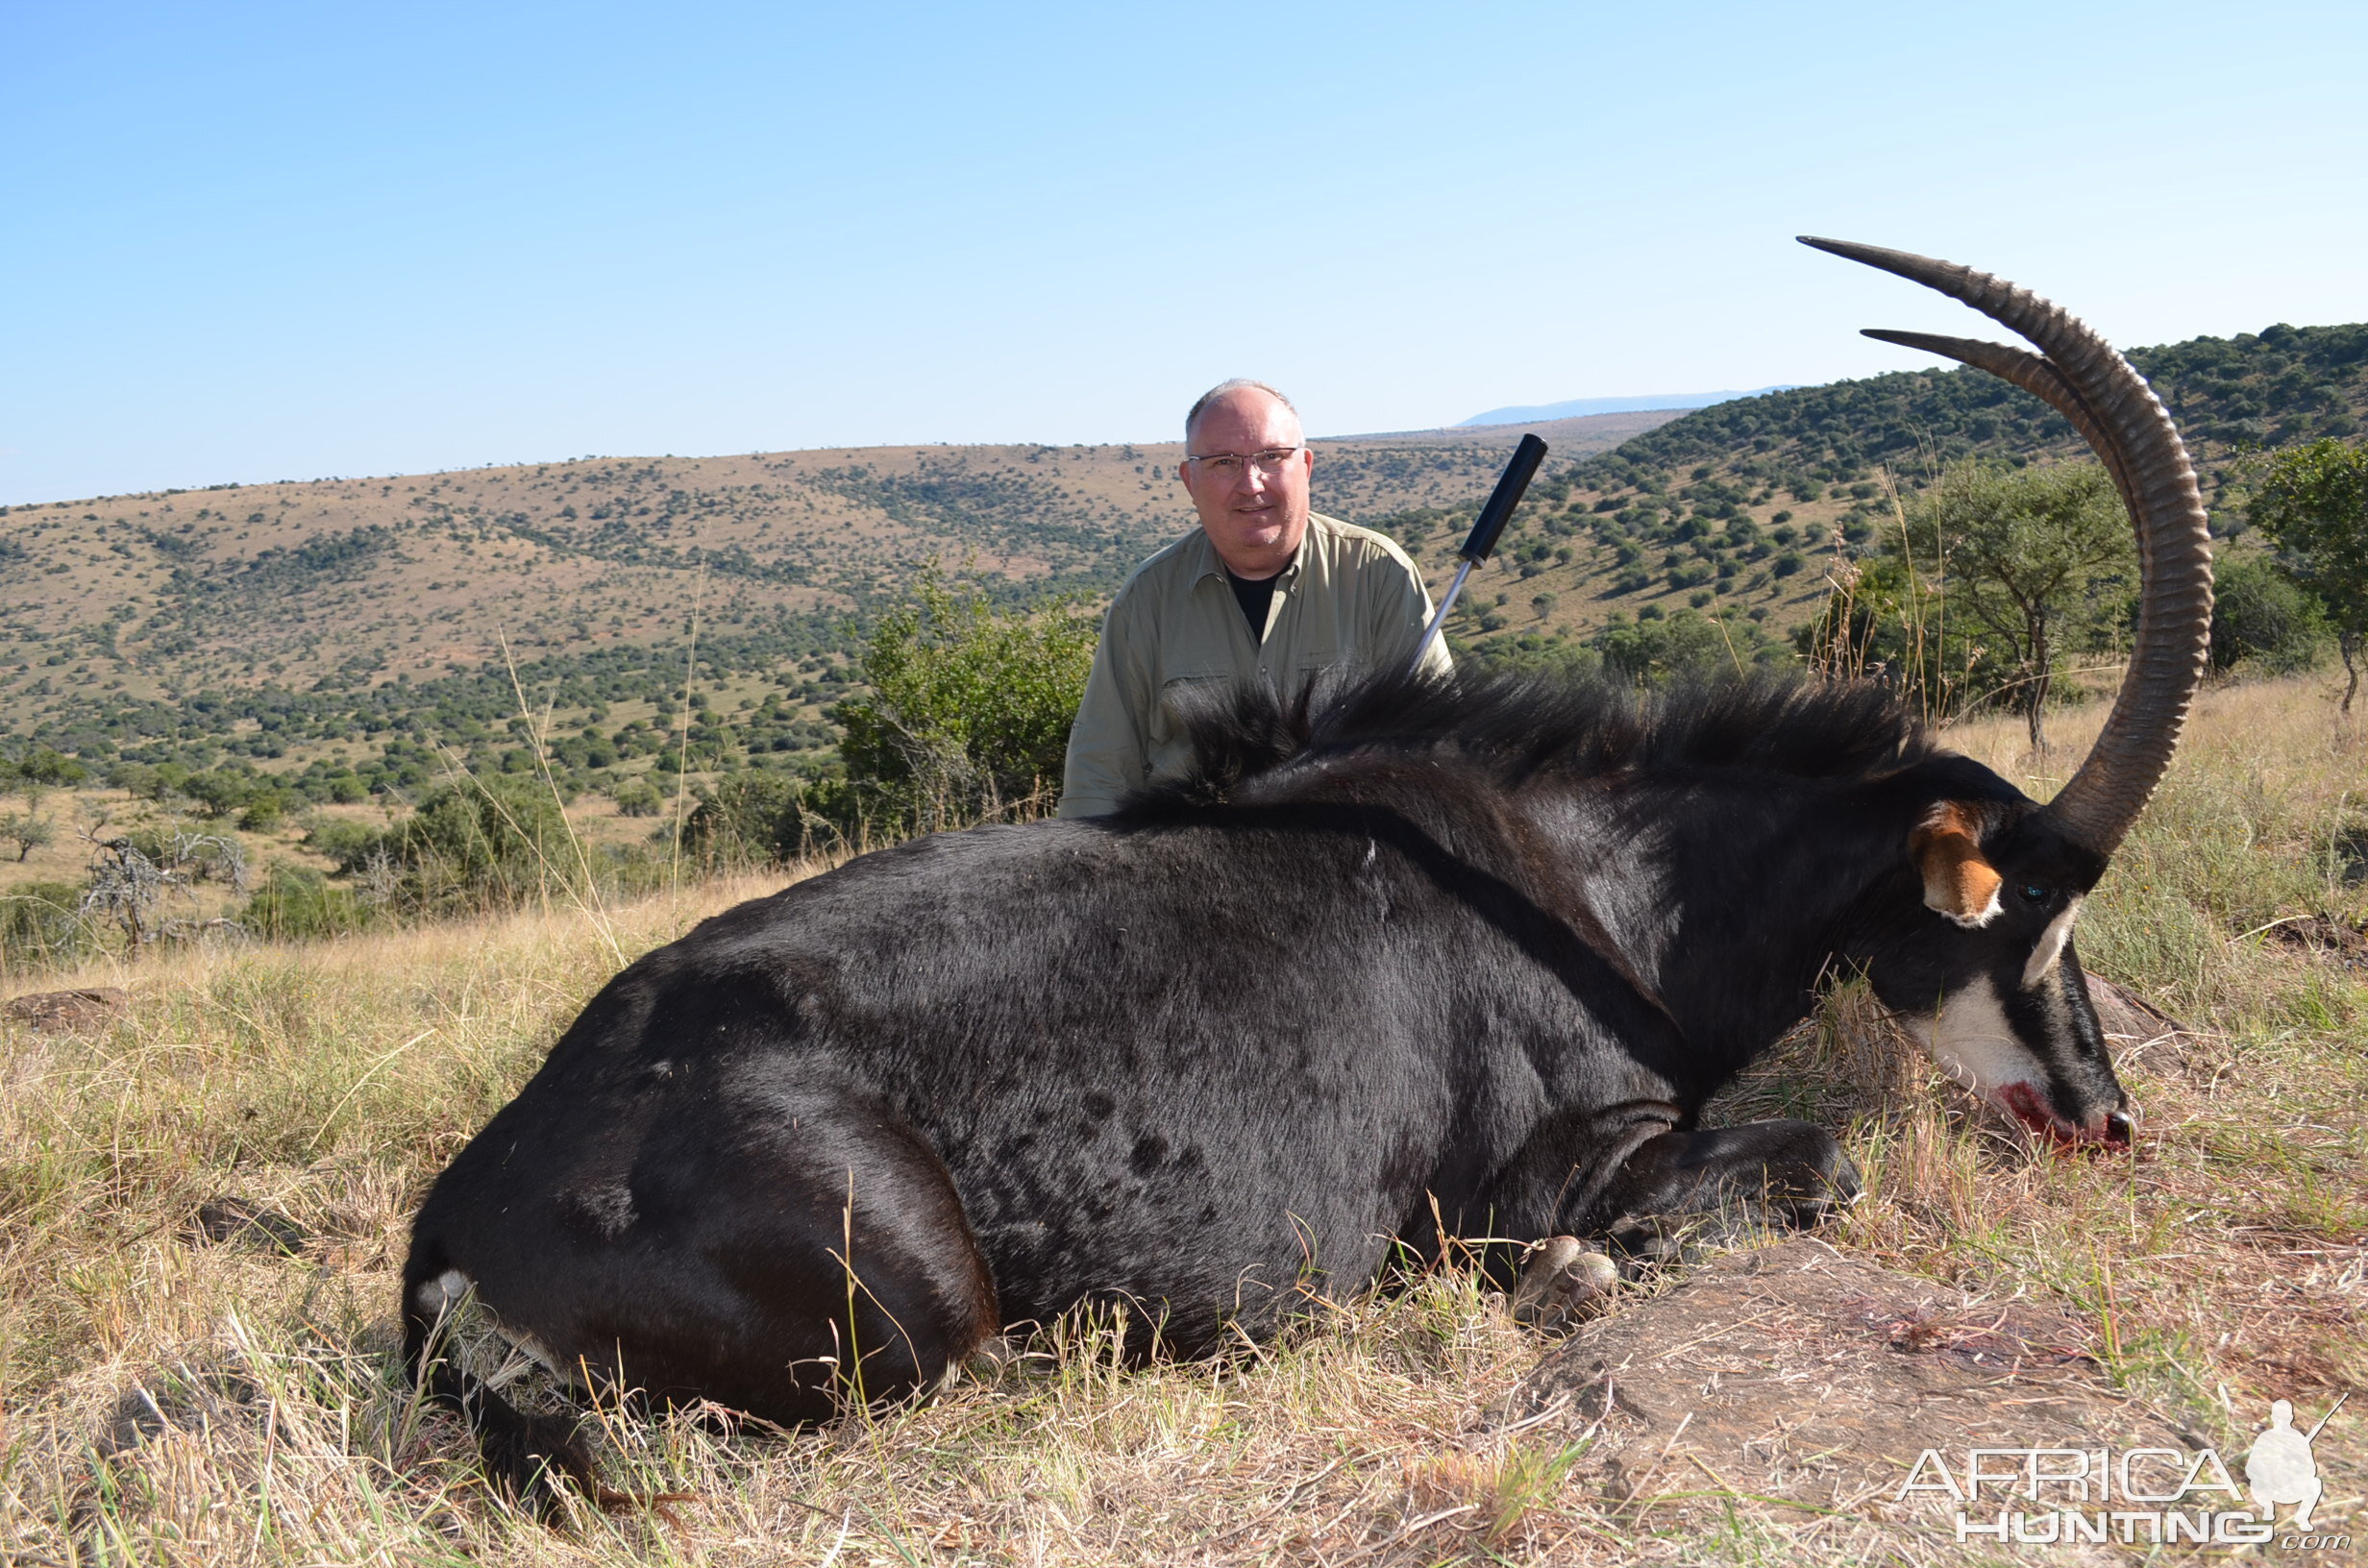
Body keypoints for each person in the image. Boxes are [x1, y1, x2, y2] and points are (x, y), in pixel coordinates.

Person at [1057, 379, 1451, 819]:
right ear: (1190, 479)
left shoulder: (1378, 574)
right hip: (1188, 873)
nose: (1251, 483)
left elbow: (1439, 745)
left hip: (1346, 867)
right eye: (1223, 462)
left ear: (1305, 465)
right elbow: (1099, 775)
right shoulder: (1147, 599)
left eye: (1271, 457)